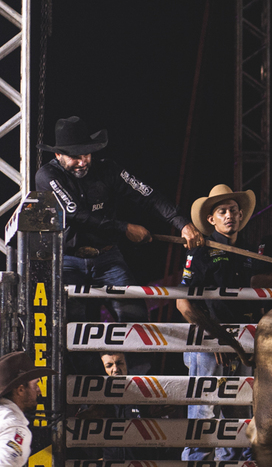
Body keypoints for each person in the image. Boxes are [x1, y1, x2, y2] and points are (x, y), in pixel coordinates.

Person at [34, 116, 201, 324]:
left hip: (107, 257)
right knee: (70, 321)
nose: (82, 162)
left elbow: (146, 194)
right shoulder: (47, 175)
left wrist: (182, 223)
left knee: (136, 317)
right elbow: (75, 214)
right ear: (58, 154)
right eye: (75, 157)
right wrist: (125, 228)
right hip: (67, 260)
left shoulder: (108, 169)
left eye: (86, 154)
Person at [175, 185, 258, 467]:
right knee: (204, 410)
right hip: (210, 342)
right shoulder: (201, 252)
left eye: (233, 210)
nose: (229, 216)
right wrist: (216, 339)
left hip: (242, 341)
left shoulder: (249, 252)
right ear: (211, 219)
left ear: (241, 215)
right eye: (222, 211)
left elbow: (260, 288)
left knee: (238, 412)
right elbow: (183, 303)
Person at [94, 353, 154, 467]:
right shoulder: (95, 398)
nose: (115, 369)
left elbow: (164, 442)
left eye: (119, 363)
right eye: (109, 365)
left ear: (127, 364)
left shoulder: (143, 395)